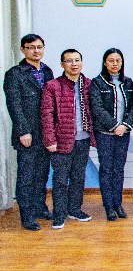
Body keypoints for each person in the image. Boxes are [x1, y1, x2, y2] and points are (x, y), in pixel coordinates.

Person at [41, 49, 96, 229]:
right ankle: (59, 214)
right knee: (60, 180)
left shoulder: (89, 84)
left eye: (77, 60)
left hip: (83, 139)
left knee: (78, 177)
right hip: (61, 141)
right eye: (69, 61)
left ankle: (75, 209)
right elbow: (46, 115)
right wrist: (50, 139)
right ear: (62, 64)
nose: (74, 64)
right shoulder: (53, 86)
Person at [3, 34, 54, 230]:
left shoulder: (47, 71)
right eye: (31, 47)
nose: (36, 51)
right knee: (26, 176)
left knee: (42, 173)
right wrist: (23, 131)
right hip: (27, 134)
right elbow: (14, 105)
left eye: (39, 47)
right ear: (22, 50)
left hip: (45, 133)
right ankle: (27, 215)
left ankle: (40, 207)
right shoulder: (15, 74)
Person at [90, 48, 133, 221]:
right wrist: (115, 125)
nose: (115, 64)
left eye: (118, 60)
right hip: (105, 134)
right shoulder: (97, 83)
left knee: (118, 169)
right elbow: (98, 109)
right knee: (106, 169)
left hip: (123, 133)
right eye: (111, 60)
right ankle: (108, 206)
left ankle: (118, 204)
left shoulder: (128, 82)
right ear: (105, 63)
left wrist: (125, 125)